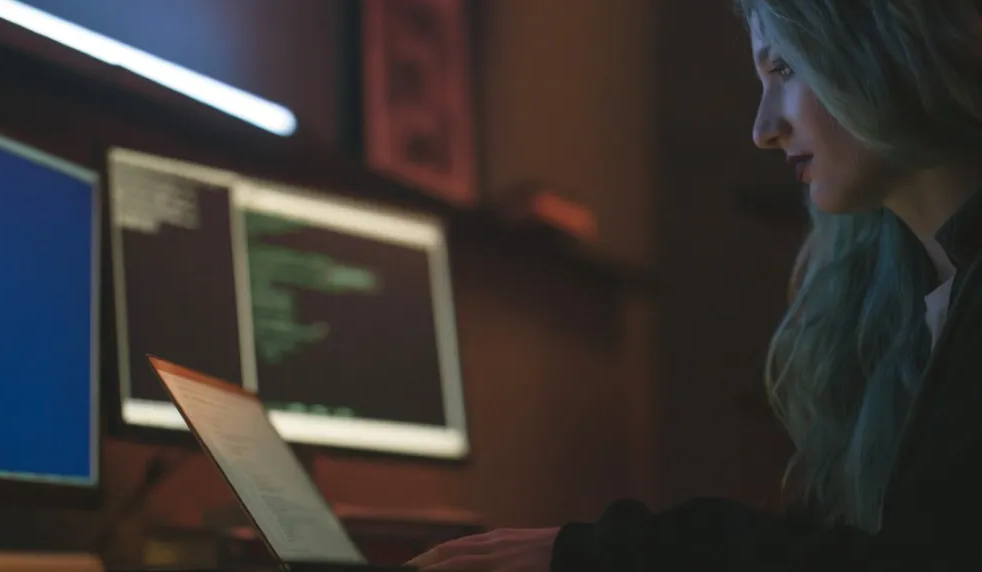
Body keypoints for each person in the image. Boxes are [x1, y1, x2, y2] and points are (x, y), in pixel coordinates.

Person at [406, 0, 982, 570]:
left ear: (892, 44)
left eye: (783, 68)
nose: (764, 131)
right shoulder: (908, 309)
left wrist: (597, 555)